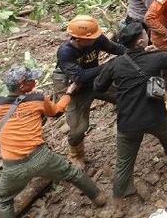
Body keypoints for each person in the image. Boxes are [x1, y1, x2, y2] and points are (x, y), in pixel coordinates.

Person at [94, 20, 167, 212]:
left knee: (123, 163)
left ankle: (119, 203)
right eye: (145, 35)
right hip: (155, 116)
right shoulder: (157, 57)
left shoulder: (114, 64)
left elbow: (98, 87)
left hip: (128, 121)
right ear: (139, 42)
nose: (147, 37)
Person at [0, 66, 106, 217]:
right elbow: (56, 111)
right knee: (72, 173)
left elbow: (15, 112)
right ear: (22, 85)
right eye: (32, 79)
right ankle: (98, 197)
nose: (35, 81)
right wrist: (69, 92)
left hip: (12, 166)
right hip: (40, 157)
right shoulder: (37, 98)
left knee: (4, 200)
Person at [54, 15, 125, 166]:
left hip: (95, 80)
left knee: (124, 96)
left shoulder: (97, 38)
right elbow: (79, 77)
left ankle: (129, 126)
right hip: (75, 88)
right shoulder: (65, 52)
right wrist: (107, 66)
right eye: (91, 38)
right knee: (79, 128)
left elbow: (116, 48)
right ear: (77, 39)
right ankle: (76, 153)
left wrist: (134, 52)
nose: (96, 39)